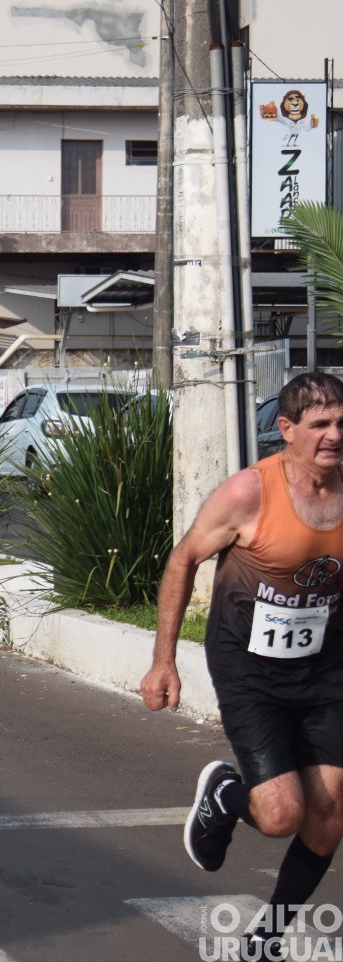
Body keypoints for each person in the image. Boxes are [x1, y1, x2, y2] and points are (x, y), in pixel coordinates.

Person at [143, 372, 343, 958]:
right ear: (286, 430)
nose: (335, 435)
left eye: (342, 422)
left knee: (328, 817)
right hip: (249, 666)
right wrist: (163, 662)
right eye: (320, 425)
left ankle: (266, 937)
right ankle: (227, 794)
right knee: (282, 816)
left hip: (327, 668)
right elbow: (183, 560)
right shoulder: (248, 494)